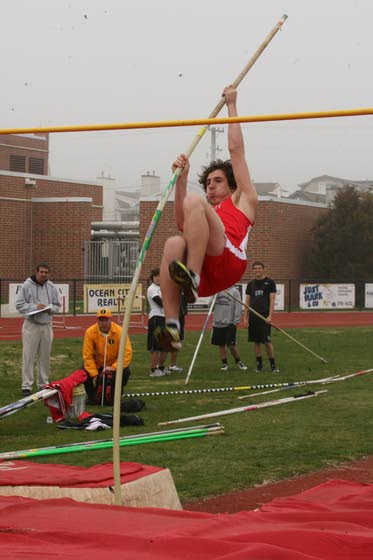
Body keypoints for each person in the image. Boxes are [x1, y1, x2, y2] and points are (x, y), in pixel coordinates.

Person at [157, 84, 258, 351]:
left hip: (229, 260)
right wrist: (182, 179)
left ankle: (192, 275)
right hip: (206, 272)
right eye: (208, 182)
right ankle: (173, 326)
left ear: (232, 186)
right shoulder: (205, 212)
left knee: (193, 202)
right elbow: (182, 224)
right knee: (173, 244)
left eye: (217, 181)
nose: (211, 186)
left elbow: (236, 151)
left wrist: (232, 105)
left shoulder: (243, 199)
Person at [15, 262, 61, 396]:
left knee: (45, 356)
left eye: (46, 272)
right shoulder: (27, 285)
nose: (43, 275)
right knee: (28, 356)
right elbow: (19, 304)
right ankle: (26, 386)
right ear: (36, 272)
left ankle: (43, 384)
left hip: (47, 325)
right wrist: (35, 307)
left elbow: (57, 305)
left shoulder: (52, 287)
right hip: (32, 325)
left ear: (49, 273)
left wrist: (50, 310)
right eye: (41, 272)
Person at [83, 307, 132, 404]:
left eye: (106, 320)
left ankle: (115, 395)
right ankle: (93, 397)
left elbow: (127, 353)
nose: (103, 323)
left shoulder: (120, 331)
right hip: (98, 365)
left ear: (111, 320)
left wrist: (114, 367)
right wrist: (94, 374)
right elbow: (87, 355)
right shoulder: (90, 332)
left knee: (125, 371)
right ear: (97, 320)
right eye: (101, 320)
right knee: (83, 372)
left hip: (113, 365)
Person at [243, 261, 279, 373]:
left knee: (267, 342)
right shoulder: (251, 284)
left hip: (264, 316)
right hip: (253, 317)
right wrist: (245, 318)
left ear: (263, 269)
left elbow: (272, 300)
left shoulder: (270, 282)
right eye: (255, 268)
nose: (257, 270)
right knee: (256, 342)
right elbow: (247, 301)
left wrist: (270, 316)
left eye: (259, 268)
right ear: (253, 270)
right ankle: (259, 365)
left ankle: (273, 366)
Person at [211, 286, 247, 371]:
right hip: (217, 322)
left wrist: (236, 322)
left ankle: (238, 362)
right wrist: (214, 296)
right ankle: (224, 364)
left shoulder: (235, 292)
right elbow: (210, 306)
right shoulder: (217, 291)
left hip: (229, 323)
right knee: (221, 345)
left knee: (231, 346)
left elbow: (238, 307)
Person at [147, 268, 168, 377]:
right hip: (156, 318)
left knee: (164, 346)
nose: (159, 278)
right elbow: (159, 301)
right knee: (155, 346)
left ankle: (161, 367)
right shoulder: (152, 288)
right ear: (153, 278)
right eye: (156, 276)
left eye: (160, 276)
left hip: (164, 318)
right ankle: (153, 370)